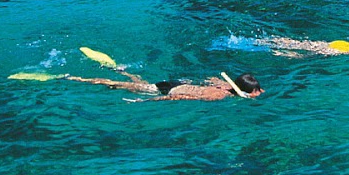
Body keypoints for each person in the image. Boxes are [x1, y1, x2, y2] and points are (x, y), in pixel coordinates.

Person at [62, 71, 263, 101]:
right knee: (117, 86)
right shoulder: (219, 96)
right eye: (256, 91)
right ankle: (76, 78)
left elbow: (210, 78)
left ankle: (123, 71)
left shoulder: (225, 85)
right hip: (170, 90)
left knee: (139, 83)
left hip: (179, 83)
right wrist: (148, 102)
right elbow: (181, 98)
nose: (259, 93)